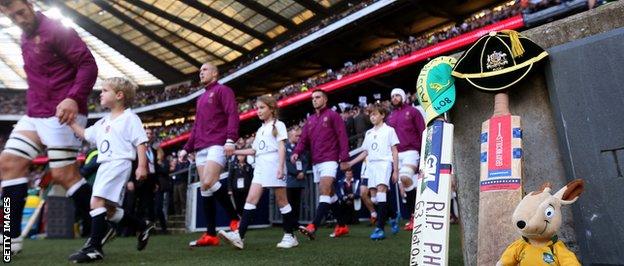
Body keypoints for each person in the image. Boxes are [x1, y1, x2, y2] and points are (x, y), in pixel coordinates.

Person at [0, 0, 97, 254]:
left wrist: (74, 97)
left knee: (65, 176)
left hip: (62, 112)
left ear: (30, 4)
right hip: (35, 112)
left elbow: (88, 64)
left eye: (21, 12)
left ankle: (108, 223)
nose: (19, 19)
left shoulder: (55, 29)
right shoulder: (24, 35)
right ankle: (10, 237)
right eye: (13, 17)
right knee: (9, 164)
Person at [67, 77, 154, 263]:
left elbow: (140, 142)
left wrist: (141, 165)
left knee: (96, 201)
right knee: (107, 209)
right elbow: (86, 134)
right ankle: (142, 225)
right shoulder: (103, 121)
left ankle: (94, 248)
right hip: (105, 165)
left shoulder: (130, 118)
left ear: (119, 95)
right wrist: (70, 122)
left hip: (119, 162)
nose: (101, 93)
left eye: (105, 90)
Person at [219, 95, 299, 249]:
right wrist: (234, 151)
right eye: (257, 108)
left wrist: (281, 167)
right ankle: (239, 236)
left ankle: (290, 235)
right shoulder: (260, 129)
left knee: (282, 201)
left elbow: (281, 146)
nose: (258, 111)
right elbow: (254, 150)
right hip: (261, 165)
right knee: (250, 200)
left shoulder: (279, 125)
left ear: (272, 108)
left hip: (274, 162)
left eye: (262, 107)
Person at [181, 63, 240, 247]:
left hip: (217, 143)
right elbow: (196, 127)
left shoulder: (223, 90)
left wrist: (231, 139)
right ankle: (210, 234)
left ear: (215, 73)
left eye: (204, 70)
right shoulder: (200, 99)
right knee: (205, 189)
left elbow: (232, 114)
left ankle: (234, 218)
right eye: (200, 70)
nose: (201, 72)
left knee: (208, 182)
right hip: (200, 147)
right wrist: (187, 148)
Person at [292, 89, 350, 240]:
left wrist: (344, 158)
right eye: (313, 98)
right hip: (316, 161)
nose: (315, 100)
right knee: (330, 194)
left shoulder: (333, 115)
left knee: (324, 191)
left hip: (330, 159)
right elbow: (303, 139)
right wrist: (296, 151)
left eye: (318, 97)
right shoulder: (310, 120)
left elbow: (342, 136)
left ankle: (313, 226)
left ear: (325, 100)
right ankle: (342, 226)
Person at [348, 104, 399, 240]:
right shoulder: (369, 133)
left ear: (382, 115)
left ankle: (380, 229)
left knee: (381, 192)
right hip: (371, 166)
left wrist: (396, 170)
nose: (372, 117)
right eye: (370, 115)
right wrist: (351, 163)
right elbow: (365, 152)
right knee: (375, 198)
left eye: (375, 114)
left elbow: (394, 150)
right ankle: (393, 215)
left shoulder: (389, 130)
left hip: (384, 164)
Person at [386, 88, 425, 231]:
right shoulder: (390, 117)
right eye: (392, 96)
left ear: (403, 97)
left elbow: (422, 131)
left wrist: (424, 154)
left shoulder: (413, 111)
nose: (395, 98)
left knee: (405, 178)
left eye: (397, 95)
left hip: (411, 151)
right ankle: (414, 217)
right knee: (407, 185)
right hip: (396, 154)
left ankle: (416, 216)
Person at [285, 127, 309, 229]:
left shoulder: (301, 148)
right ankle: (288, 223)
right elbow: (287, 163)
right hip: (290, 180)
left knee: (297, 202)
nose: (298, 138)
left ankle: (295, 223)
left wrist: (303, 172)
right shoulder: (285, 147)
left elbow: (306, 161)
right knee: (289, 202)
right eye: (296, 136)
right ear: (290, 136)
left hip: (300, 180)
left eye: (299, 136)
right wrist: (296, 173)